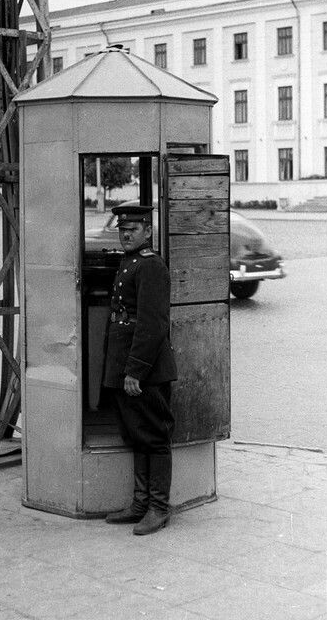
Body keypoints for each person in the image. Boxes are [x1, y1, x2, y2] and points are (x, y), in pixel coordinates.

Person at [102, 205, 177, 535]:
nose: (126, 233)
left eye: (133, 228)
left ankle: (159, 507)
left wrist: (135, 371)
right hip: (127, 363)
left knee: (154, 436)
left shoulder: (151, 266)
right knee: (136, 434)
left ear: (149, 231)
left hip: (146, 370)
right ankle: (140, 503)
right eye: (122, 229)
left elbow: (152, 324)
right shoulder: (130, 262)